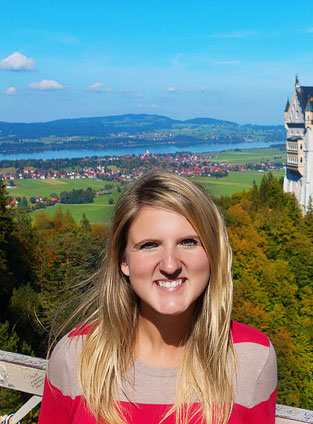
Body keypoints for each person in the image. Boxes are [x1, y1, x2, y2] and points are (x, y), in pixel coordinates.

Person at [38, 171, 277, 424]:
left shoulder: (251, 357)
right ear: (123, 261)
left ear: (213, 254)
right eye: (150, 245)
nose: (170, 264)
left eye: (188, 242)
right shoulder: (77, 357)